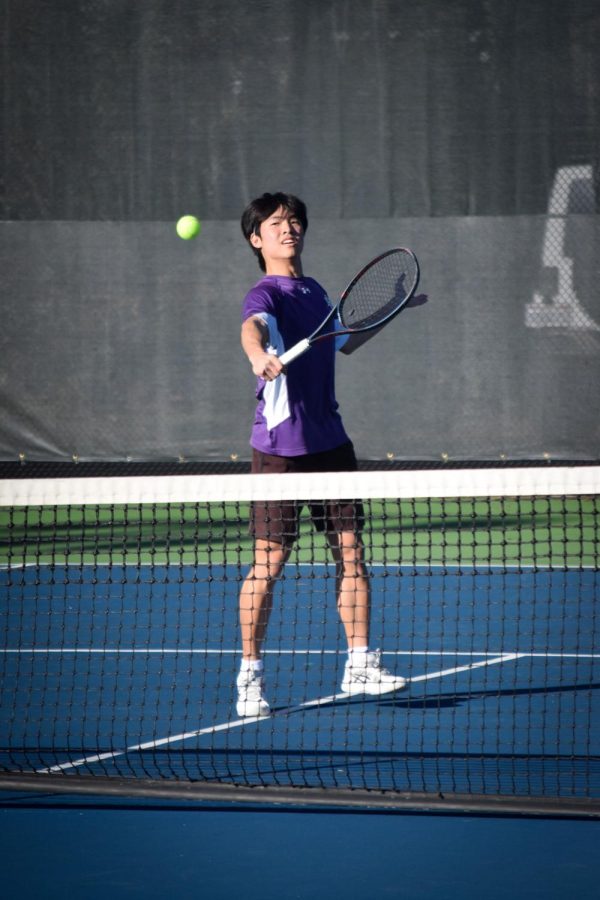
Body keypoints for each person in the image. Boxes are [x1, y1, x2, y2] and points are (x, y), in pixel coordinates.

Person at [236, 191, 407, 717]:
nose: (289, 229)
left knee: (351, 552)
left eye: (294, 221)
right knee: (270, 561)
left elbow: (341, 343)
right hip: (281, 450)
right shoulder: (266, 293)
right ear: (256, 238)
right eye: (276, 223)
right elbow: (253, 327)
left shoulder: (314, 290)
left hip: (331, 443)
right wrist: (257, 354)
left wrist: (389, 312)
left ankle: (359, 663)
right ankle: (249, 677)